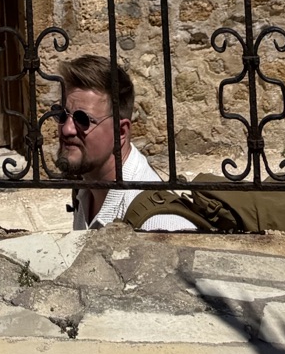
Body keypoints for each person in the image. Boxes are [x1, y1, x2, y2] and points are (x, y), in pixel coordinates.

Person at [51, 53, 196, 232]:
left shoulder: (158, 225)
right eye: (61, 114)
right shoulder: (85, 187)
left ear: (120, 132)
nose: (67, 129)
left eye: (83, 120)